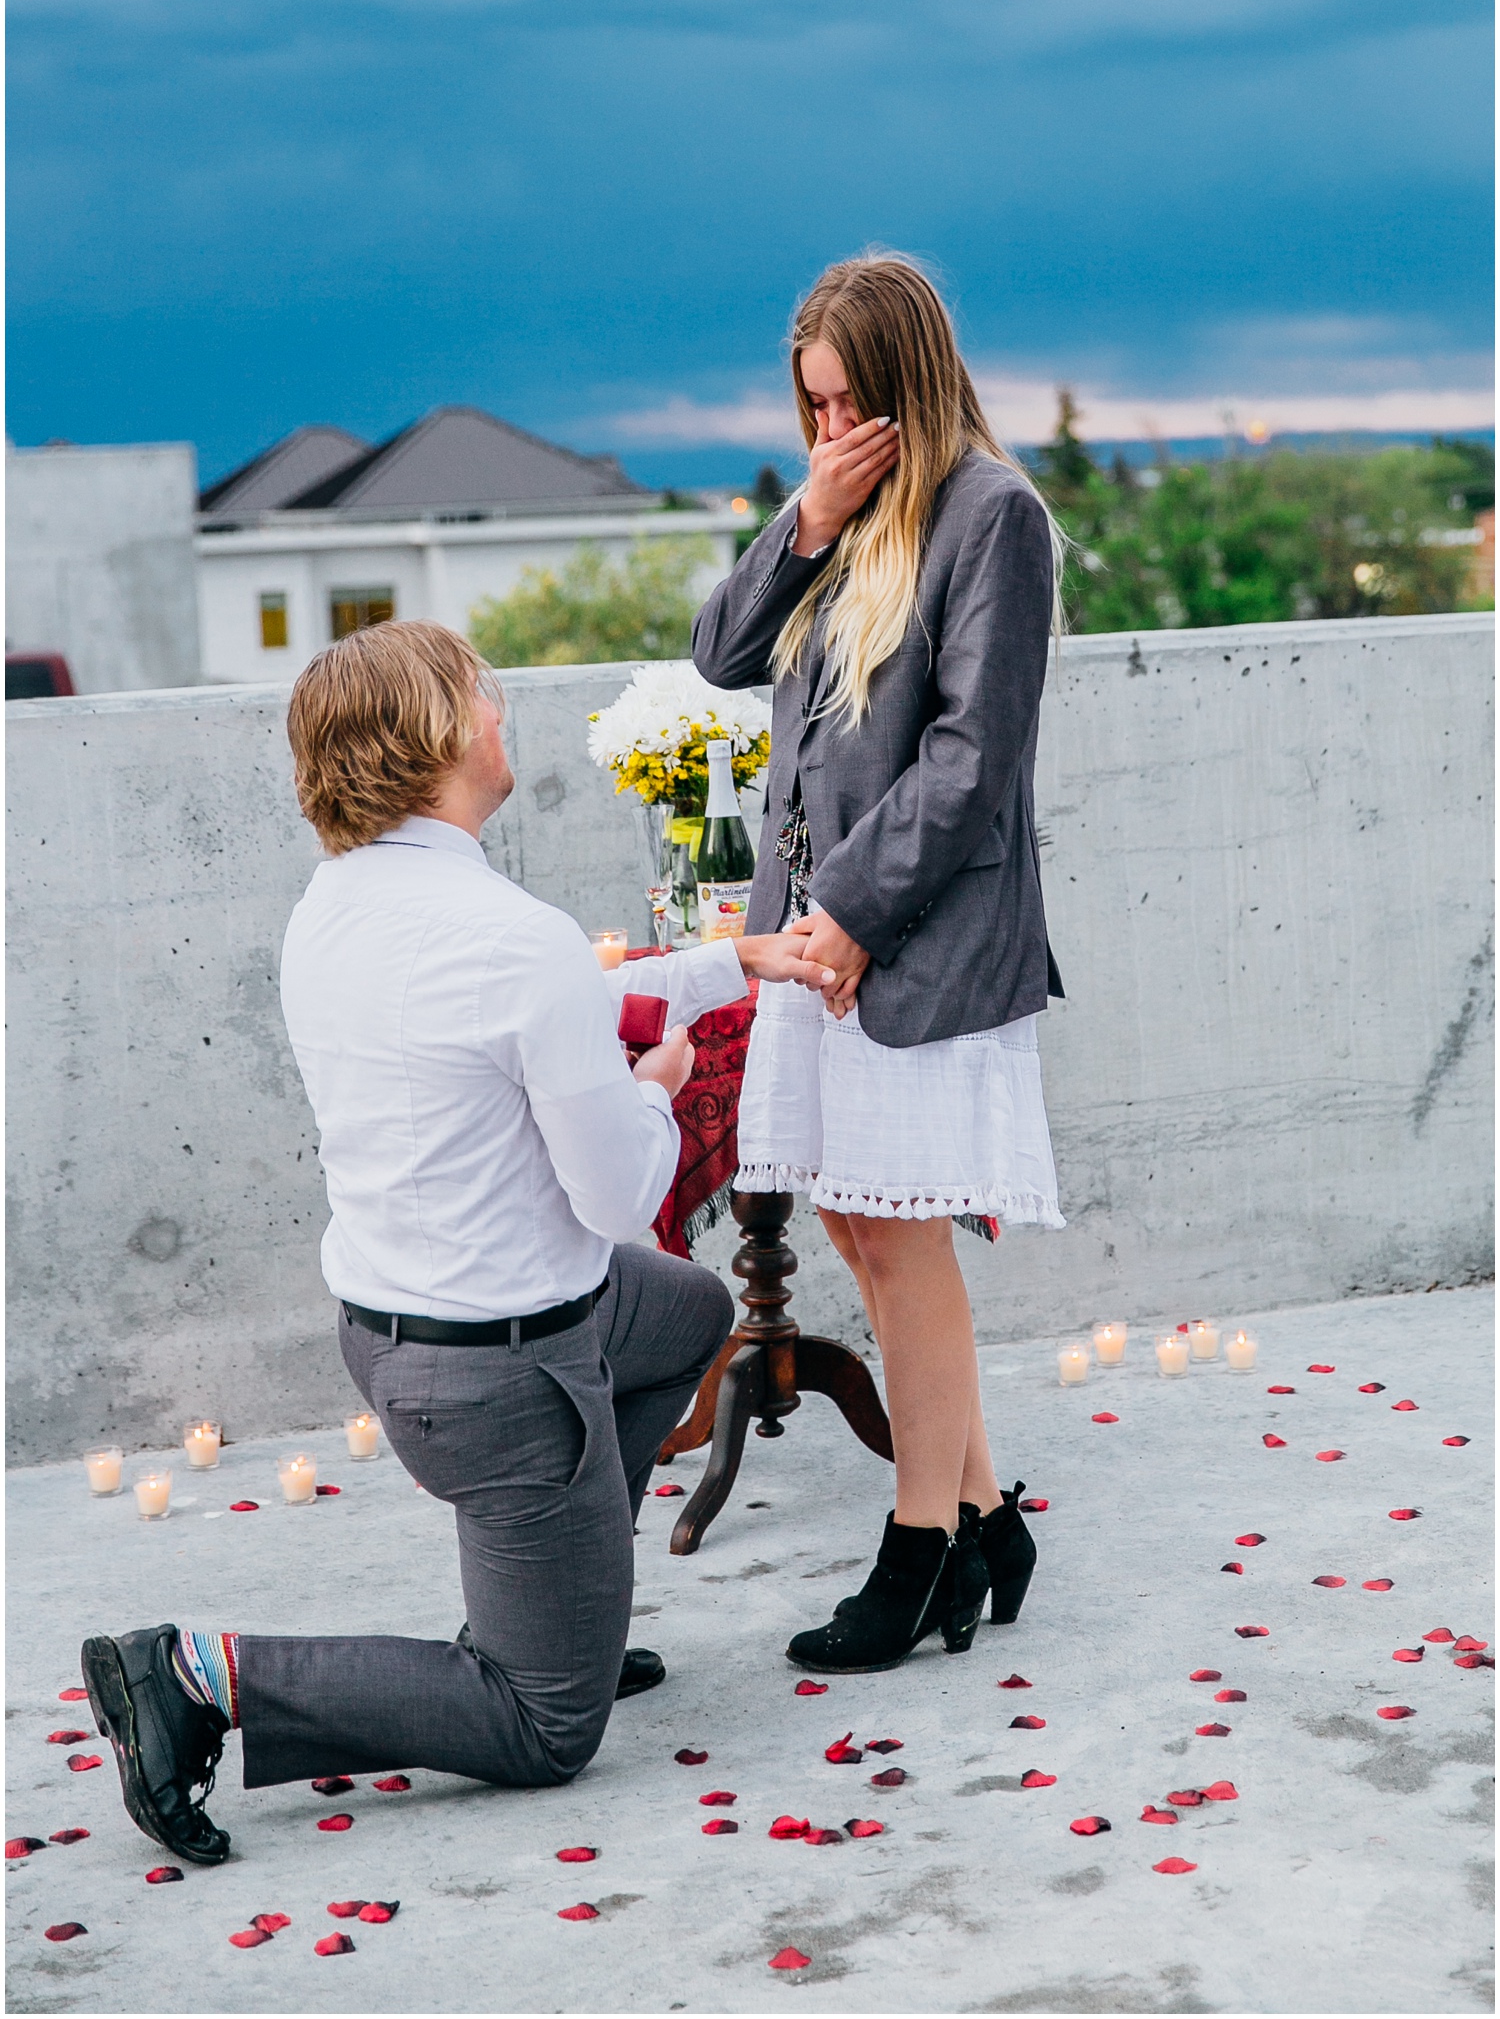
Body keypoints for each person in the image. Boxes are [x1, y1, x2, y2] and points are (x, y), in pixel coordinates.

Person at [80, 619, 836, 1866]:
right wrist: (655, 1086)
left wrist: (724, 962)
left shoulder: (335, 907)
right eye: (481, 698)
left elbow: (509, 1017)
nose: (500, 714)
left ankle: (575, 1579)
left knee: (689, 1310)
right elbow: (612, 1194)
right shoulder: (509, 934)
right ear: (435, 740)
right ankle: (195, 1674)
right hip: (497, 1377)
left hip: (396, 1334)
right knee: (547, 1725)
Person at [692, 253, 1068, 1676]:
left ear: (911, 382)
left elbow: (976, 758)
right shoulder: (839, 512)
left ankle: (919, 1556)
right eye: (812, 408)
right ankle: (984, 1525)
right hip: (815, 941)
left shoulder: (997, 519)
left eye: (853, 402)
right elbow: (721, 652)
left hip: (909, 940)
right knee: (855, 1228)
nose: (833, 426)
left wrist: (852, 912)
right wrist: (812, 512)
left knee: (900, 1242)